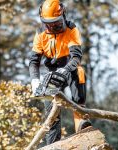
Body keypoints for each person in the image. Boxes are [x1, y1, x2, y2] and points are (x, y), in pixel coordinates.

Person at [29, 0, 91, 145]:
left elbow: (76, 57)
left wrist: (66, 69)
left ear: (63, 15)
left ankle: (82, 122)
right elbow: (34, 61)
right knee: (51, 112)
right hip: (52, 72)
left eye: (56, 23)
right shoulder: (40, 34)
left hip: (69, 68)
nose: (52, 26)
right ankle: (53, 144)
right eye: (48, 23)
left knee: (79, 73)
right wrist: (34, 81)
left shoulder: (71, 29)